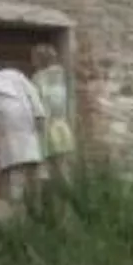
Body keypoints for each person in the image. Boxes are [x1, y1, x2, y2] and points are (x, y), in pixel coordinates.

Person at [0, 61, 45, 202]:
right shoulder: (15, 74)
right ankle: (37, 210)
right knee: (32, 170)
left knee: (14, 172)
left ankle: (17, 210)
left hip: (8, 130)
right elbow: (34, 95)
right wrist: (39, 116)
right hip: (28, 127)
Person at [31, 43, 76, 180]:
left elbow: (38, 101)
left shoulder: (39, 77)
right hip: (62, 125)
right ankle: (67, 197)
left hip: (47, 125)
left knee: (48, 166)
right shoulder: (62, 75)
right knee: (63, 166)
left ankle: (51, 198)